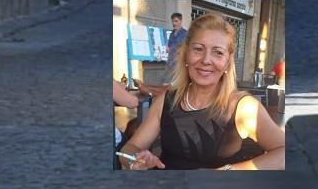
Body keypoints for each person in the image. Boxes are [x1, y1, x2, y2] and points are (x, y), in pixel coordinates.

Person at [120, 13, 285, 170]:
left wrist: (227, 172)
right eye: (198, 49)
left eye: (218, 53)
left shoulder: (242, 107)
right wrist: (135, 159)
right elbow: (129, 148)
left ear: (227, 63)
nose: (206, 60)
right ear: (186, 55)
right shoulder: (167, 100)